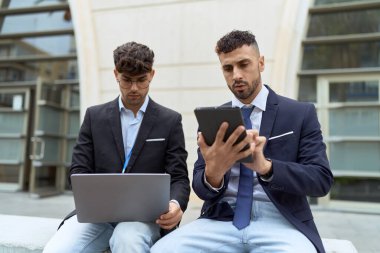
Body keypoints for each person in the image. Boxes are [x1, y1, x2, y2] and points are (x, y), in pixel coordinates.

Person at [151, 30, 333, 253]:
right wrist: (213, 174)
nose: (236, 74)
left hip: (279, 220)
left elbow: (320, 180)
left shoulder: (299, 114)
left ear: (261, 63)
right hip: (222, 218)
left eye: (243, 64)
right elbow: (201, 188)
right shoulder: (212, 119)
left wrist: (266, 167)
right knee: (162, 250)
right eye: (228, 68)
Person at [43, 41, 190, 253]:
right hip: (97, 217)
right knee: (57, 249)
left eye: (141, 81)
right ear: (115, 74)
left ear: (152, 74)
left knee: (127, 240)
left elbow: (178, 177)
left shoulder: (170, 120)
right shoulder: (94, 117)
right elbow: (78, 170)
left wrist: (176, 204)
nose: (134, 89)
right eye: (126, 80)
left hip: (145, 218)